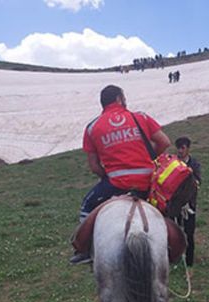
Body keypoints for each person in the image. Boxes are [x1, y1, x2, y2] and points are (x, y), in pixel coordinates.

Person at [70, 85, 171, 264]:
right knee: (169, 207)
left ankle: (84, 250)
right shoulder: (141, 117)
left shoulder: (92, 127)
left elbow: (94, 166)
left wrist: (107, 175)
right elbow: (164, 142)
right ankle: (173, 246)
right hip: (148, 181)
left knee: (87, 207)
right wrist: (148, 160)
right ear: (119, 98)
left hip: (116, 184)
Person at [174, 136, 201, 266]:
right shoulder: (173, 163)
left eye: (182, 148)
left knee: (189, 232)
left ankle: (189, 261)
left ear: (188, 149)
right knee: (176, 231)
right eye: (178, 148)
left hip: (189, 205)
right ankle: (177, 257)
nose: (180, 151)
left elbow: (197, 182)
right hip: (175, 205)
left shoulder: (194, 164)